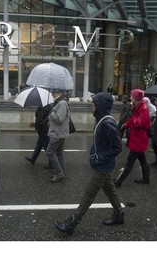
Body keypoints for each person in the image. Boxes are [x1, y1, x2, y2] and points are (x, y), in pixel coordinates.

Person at [54, 92, 124, 234]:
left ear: (100, 106)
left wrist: (99, 157)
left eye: (94, 104)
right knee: (109, 189)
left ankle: (72, 223)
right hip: (103, 164)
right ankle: (119, 214)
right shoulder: (101, 119)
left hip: (103, 166)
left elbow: (117, 147)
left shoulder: (107, 123)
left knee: (89, 194)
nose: (92, 106)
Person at [114, 89, 151, 187]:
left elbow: (138, 123)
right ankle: (146, 179)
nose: (130, 98)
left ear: (136, 98)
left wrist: (129, 121)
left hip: (138, 140)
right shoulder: (139, 107)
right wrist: (125, 126)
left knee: (130, 162)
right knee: (142, 159)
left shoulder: (143, 108)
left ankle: (118, 182)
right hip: (137, 139)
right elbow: (132, 120)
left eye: (131, 96)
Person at [46, 89, 70, 183]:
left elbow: (59, 119)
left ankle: (59, 173)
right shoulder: (59, 103)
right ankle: (62, 173)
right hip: (58, 132)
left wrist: (51, 112)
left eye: (53, 93)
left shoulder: (62, 103)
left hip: (57, 133)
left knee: (50, 152)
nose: (52, 95)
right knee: (59, 153)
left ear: (59, 93)